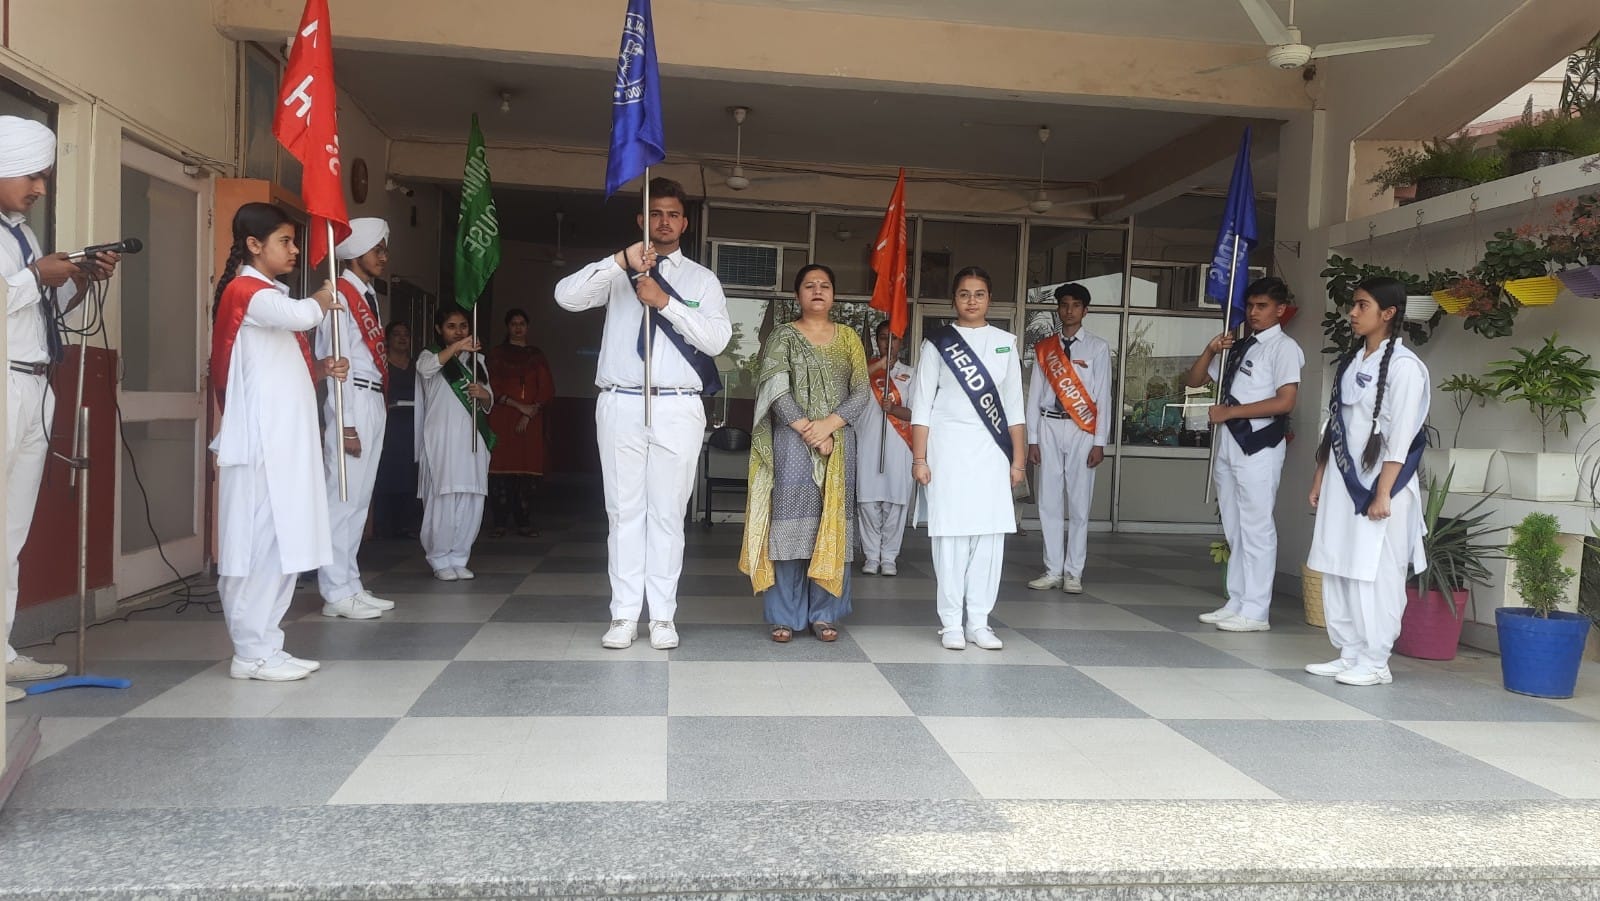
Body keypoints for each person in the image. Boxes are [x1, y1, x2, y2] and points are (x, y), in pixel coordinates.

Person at [554, 177, 731, 651]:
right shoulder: (617, 273)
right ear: (641, 220)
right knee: (624, 512)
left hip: (677, 402)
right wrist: (620, 261)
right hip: (622, 400)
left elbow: (716, 340)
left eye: (673, 214)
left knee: (668, 514)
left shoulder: (701, 279)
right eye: (655, 213)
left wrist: (665, 302)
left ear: (685, 223)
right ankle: (624, 613)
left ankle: (663, 616)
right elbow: (566, 297)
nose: (664, 222)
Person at [1, 117, 119, 703]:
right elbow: (14, 293)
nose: (41, 188)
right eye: (31, 175)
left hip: (34, 382)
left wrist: (77, 281)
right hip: (3, 381)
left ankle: (2, 653)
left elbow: (34, 309)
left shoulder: (20, 233)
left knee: (11, 529)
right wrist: (33, 276)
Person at [210, 202, 342, 682]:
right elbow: (303, 315)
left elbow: (278, 362)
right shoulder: (246, 291)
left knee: (282, 542)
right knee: (257, 543)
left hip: (284, 443)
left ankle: (267, 644)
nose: (294, 250)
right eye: (285, 241)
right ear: (253, 244)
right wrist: (324, 296)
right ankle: (250, 651)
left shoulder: (267, 295)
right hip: (261, 444)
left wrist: (321, 369)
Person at [1306, 277, 1430, 687]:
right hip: (1343, 483)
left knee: (1374, 572)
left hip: (1382, 488)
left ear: (1388, 313)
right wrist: (1320, 477)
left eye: (1362, 305)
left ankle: (1376, 660)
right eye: (1353, 305)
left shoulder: (1405, 367)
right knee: (1339, 564)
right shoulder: (1351, 361)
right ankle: (1350, 652)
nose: (1353, 313)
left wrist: (1383, 493)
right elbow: (1334, 427)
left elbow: (1403, 437)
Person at [739, 264, 869, 642]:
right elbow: (775, 390)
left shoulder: (849, 338)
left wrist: (829, 426)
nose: (817, 291)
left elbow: (861, 391)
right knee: (790, 527)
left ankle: (825, 615)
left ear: (834, 295)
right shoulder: (783, 336)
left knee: (831, 525)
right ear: (798, 295)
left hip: (838, 445)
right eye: (809, 285)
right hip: (792, 443)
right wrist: (810, 431)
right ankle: (785, 616)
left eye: (824, 285)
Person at [911, 266, 1026, 651]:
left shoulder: (1005, 343)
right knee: (951, 536)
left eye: (979, 294)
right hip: (947, 450)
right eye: (964, 294)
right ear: (954, 300)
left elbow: (1014, 408)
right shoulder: (938, 343)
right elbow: (921, 405)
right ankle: (951, 623)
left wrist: (1018, 462)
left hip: (993, 452)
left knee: (989, 537)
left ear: (990, 299)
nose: (971, 301)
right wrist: (919, 458)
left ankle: (979, 621)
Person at [1183, 277, 1304, 632]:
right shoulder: (1238, 346)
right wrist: (1211, 350)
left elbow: (1285, 401)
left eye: (1262, 306)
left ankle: (1256, 610)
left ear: (1280, 309)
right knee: (1235, 527)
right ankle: (1237, 600)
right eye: (1250, 305)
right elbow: (1194, 381)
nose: (1253, 312)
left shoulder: (1283, 348)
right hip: (1229, 443)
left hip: (1259, 444)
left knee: (1257, 527)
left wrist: (1231, 412)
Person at [314, 217, 395, 620]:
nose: (383, 257)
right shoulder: (340, 296)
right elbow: (336, 361)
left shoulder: (366, 295)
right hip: (352, 400)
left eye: (384, 249)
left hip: (371, 398)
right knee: (342, 499)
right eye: (377, 249)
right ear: (356, 252)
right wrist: (345, 422)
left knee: (359, 501)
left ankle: (349, 583)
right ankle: (334, 591)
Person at [1025, 283, 1111, 595]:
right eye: (1064, 305)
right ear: (1058, 309)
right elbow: (1035, 395)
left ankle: (1074, 572)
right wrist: (1032, 438)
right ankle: (1052, 570)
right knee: (1048, 502)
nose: (1069, 310)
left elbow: (1104, 397)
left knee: (1079, 504)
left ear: (1085, 310)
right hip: (1049, 425)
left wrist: (1100, 441)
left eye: (1075, 305)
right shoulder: (1045, 348)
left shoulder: (1097, 348)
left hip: (1082, 429)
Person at [415, 306, 495, 581]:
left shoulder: (478, 360)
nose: (459, 331)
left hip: (473, 441)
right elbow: (426, 369)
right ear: (439, 329)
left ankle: (460, 557)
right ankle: (439, 559)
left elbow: (489, 401)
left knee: (471, 497)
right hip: (442, 441)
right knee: (444, 498)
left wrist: (483, 394)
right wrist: (459, 347)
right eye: (452, 326)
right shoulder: (430, 356)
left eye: (463, 326)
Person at [487, 308, 554, 538]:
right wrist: (518, 406)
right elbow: (491, 387)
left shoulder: (536, 355)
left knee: (526, 473)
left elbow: (546, 388)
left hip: (530, 421)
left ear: (527, 327)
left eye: (522, 323)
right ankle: (499, 522)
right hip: (503, 418)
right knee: (500, 471)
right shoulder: (497, 354)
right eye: (513, 323)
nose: (518, 327)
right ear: (507, 327)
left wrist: (528, 413)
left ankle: (523, 521)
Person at [858, 321, 915, 577]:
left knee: (895, 503)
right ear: (876, 340)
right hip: (868, 446)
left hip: (899, 448)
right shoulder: (864, 371)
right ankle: (871, 556)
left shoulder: (911, 374)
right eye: (883, 338)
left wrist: (894, 409)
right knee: (868, 503)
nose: (888, 344)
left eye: (894, 338)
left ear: (901, 342)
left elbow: (917, 413)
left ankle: (889, 557)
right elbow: (847, 391)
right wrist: (879, 367)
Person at [373, 320, 421, 538]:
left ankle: (408, 524)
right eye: (397, 334)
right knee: (387, 472)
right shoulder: (380, 365)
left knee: (411, 473)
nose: (402, 338)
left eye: (406, 334)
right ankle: (384, 525)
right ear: (388, 339)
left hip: (413, 426)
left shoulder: (418, 366)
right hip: (388, 426)